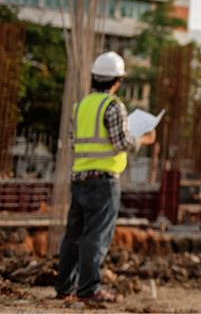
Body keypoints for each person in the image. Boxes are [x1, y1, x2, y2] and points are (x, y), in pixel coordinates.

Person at [54, 51, 156, 304]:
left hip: (79, 178)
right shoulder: (113, 106)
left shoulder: (80, 106)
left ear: (94, 78)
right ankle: (89, 290)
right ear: (117, 81)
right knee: (96, 236)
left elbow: (73, 140)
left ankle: (65, 287)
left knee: (74, 235)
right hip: (103, 181)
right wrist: (143, 138)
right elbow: (121, 142)